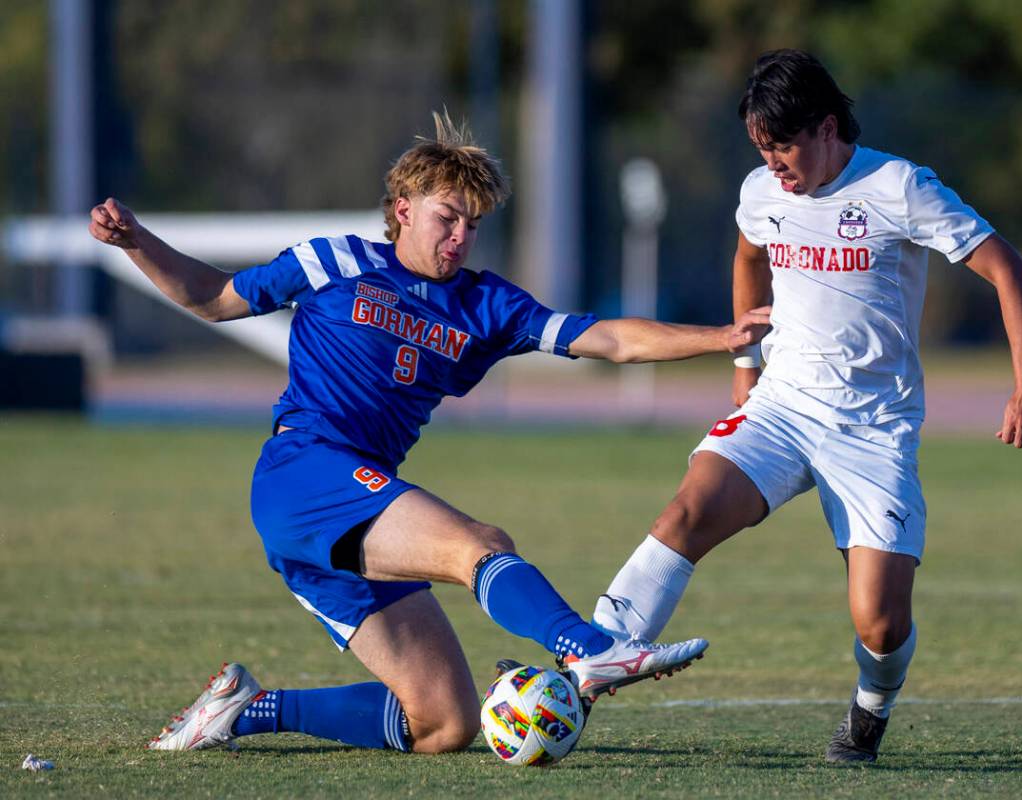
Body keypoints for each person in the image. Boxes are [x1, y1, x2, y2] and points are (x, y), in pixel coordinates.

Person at [88, 112, 772, 755]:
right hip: (304, 475)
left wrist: (721, 336)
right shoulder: (334, 261)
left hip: (359, 506)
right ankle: (585, 646)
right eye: (448, 217)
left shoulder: (484, 303)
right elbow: (213, 298)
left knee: (442, 722)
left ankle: (248, 707)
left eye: (472, 225)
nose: (459, 237)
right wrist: (137, 242)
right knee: (478, 546)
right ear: (403, 208)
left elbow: (610, 339)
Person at [589, 49, 1022, 763]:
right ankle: (587, 665)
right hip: (781, 409)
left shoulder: (898, 187)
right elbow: (748, 257)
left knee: (880, 624)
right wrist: (745, 367)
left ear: (828, 127)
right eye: (760, 147)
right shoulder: (761, 194)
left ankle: (869, 711)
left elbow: (1005, 267)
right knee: (682, 515)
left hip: (872, 429)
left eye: (782, 145)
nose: (772, 163)